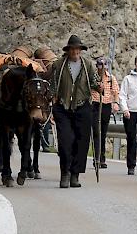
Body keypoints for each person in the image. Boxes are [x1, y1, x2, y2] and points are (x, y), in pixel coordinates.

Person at [50, 35, 101, 188]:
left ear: (81, 50)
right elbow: (53, 86)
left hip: (82, 106)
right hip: (63, 107)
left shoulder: (87, 65)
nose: (75, 52)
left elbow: (94, 82)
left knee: (82, 142)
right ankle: (65, 173)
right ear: (68, 50)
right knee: (66, 141)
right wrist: (52, 104)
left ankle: (75, 175)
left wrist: (99, 87)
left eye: (78, 49)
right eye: (73, 49)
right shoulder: (59, 64)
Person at [91, 57, 120, 169]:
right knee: (96, 132)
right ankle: (96, 158)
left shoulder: (110, 78)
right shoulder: (93, 78)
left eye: (104, 66)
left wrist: (116, 103)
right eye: (100, 66)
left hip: (106, 105)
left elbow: (116, 91)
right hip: (95, 104)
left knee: (103, 132)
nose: (102, 69)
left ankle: (102, 158)